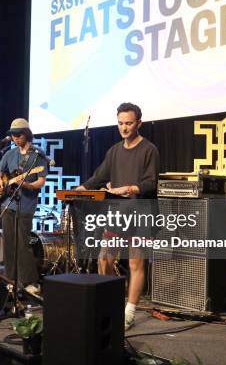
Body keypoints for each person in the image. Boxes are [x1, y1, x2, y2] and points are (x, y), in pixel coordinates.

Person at [76, 103, 159, 330]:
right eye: (121, 123)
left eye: (129, 123)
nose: (124, 127)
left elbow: (151, 184)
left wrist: (127, 189)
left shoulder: (149, 149)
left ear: (138, 123)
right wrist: (79, 190)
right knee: (104, 259)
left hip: (141, 213)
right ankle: (112, 302)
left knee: (135, 262)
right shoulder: (114, 151)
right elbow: (98, 177)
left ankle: (129, 312)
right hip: (117, 214)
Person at [0, 118, 48, 295]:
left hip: (25, 205)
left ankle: (31, 281)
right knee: (9, 243)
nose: (15, 138)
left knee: (22, 243)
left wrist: (28, 185)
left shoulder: (38, 155)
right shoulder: (10, 153)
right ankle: (11, 279)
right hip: (7, 203)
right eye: (13, 135)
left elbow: (40, 181)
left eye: (18, 135)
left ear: (27, 134)